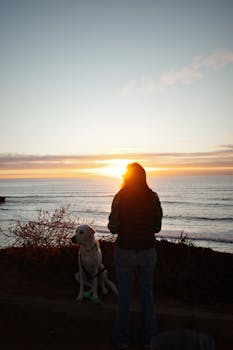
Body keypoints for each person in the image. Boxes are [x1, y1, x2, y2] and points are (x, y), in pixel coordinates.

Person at [108, 162, 163, 350]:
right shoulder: (153, 197)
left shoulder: (120, 197)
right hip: (147, 251)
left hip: (125, 251)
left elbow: (113, 228)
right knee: (147, 296)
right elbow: (157, 227)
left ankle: (122, 339)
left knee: (124, 297)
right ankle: (149, 340)